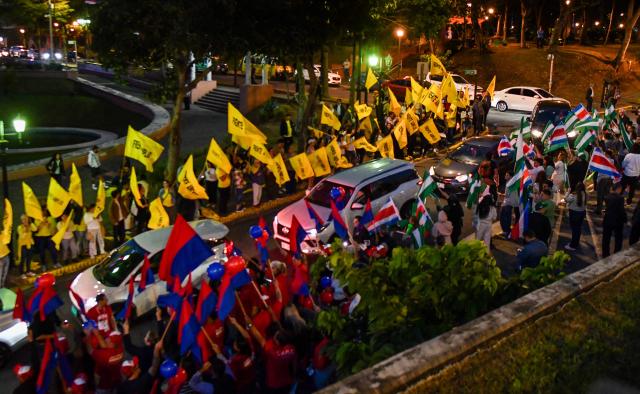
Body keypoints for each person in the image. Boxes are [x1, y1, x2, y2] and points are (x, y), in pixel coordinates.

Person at [602, 182, 627, 257]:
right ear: (618, 189)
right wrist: (625, 219)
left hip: (608, 219)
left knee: (606, 238)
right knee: (618, 238)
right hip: (618, 221)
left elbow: (608, 207)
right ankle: (617, 253)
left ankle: (605, 254)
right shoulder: (621, 198)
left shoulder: (607, 197)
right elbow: (621, 210)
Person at [564, 182, 587, 251]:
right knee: (578, 228)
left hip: (574, 213)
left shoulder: (573, 195)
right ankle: (576, 242)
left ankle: (573, 245)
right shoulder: (585, 194)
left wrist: (568, 192)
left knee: (574, 229)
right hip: (582, 212)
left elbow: (565, 199)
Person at [500, 172, 519, 237]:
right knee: (506, 217)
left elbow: (507, 195)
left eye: (507, 175)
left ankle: (506, 232)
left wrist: (500, 194)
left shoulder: (510, 184)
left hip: (508, 203)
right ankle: (506, 231)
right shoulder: (510, 183)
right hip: (509, 202)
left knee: (505, 218)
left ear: (511, 177)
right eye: (505, 174)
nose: (505, 176)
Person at [17, 215, 36, 279]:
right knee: (23, 259)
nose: (25, 220)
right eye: (23, 219)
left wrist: (31, 223)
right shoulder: (20, 227)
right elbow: (22, 236)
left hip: (30, 244)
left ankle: (28, 271)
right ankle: (21, 273)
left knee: (29, 258)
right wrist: (26, 230)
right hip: (23, 245)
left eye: (26, 219)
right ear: (21, 221)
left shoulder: (30, 225)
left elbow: (35, 229)